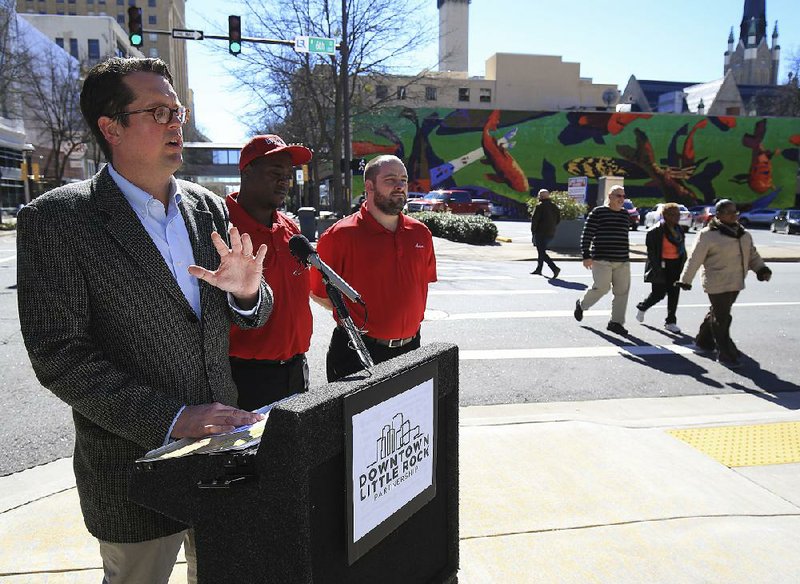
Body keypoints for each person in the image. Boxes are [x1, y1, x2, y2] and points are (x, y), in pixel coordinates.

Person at [16, 57, 272, 584]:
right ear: (111, 128)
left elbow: (247, 313)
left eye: (175, 109)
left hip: (223, 458)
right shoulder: (56, 220)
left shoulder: (208, 208)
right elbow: (59, 358)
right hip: (131, 468)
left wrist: (249, 294)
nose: (176, 122)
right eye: (157, 112)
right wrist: (172, 418)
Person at [310, 154, 437, 381]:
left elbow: (420, 287)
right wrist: (357, 316)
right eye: (390, 180)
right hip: (356, 352)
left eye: (404, 180)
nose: (400, 186)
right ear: (369, 186)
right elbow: (318, 293)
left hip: (411, 350)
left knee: (406, 416)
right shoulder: (339, 236)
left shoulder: (421, 233)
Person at [227, 135, 314, 410]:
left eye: (288, 175)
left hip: (297, 370)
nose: (284, 182)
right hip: (246, 378)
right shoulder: (221, 228)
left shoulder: (290, 229)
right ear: (247, 171)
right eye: (276, 173)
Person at [677, 199, 771, 368]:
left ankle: (703, 340)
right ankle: (726, 353)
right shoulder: (708, 235)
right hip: (716, 282)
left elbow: (752, 255)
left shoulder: (744, 234)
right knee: (722, 317)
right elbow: (695, 259)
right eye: (729, 212)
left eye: (735, 212)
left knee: (718, 312)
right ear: (718, 215)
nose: (734, 215)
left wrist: (761, 270)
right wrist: (685, 280)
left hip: (736, 282)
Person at [573, 185, 631, 335]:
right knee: (602, 287)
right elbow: (587, 235)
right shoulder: (598, 212)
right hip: (601, 259)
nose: (621, 199)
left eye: (623, 196)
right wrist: (586, 255)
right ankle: (582, 305)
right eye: (618, 196)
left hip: (622, 260)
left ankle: (615, 322)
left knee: (622, 292)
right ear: (610, 197)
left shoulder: (625, 215)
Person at [635, 202, 687, 333]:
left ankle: (670, 321)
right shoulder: (655, 231)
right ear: (665, 215)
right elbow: (652, 253)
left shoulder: (679, 230)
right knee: (658, 294)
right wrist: (657, 268)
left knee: (674, 293)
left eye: (678, 214)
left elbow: (682, 249)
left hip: (675, 265)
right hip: (660, 266)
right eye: (673, 214)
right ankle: (643, 307)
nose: (676, 217)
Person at [529, 188, 561, 278]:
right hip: (551, 232)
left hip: (540, 232)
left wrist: (533, 232)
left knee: (541, 251)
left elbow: (535, 221)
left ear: (541, 197)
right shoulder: (554, 206)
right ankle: (539, 269)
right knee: (541, 251)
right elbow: (558, 220)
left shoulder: (539, 207)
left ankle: (554, 268)